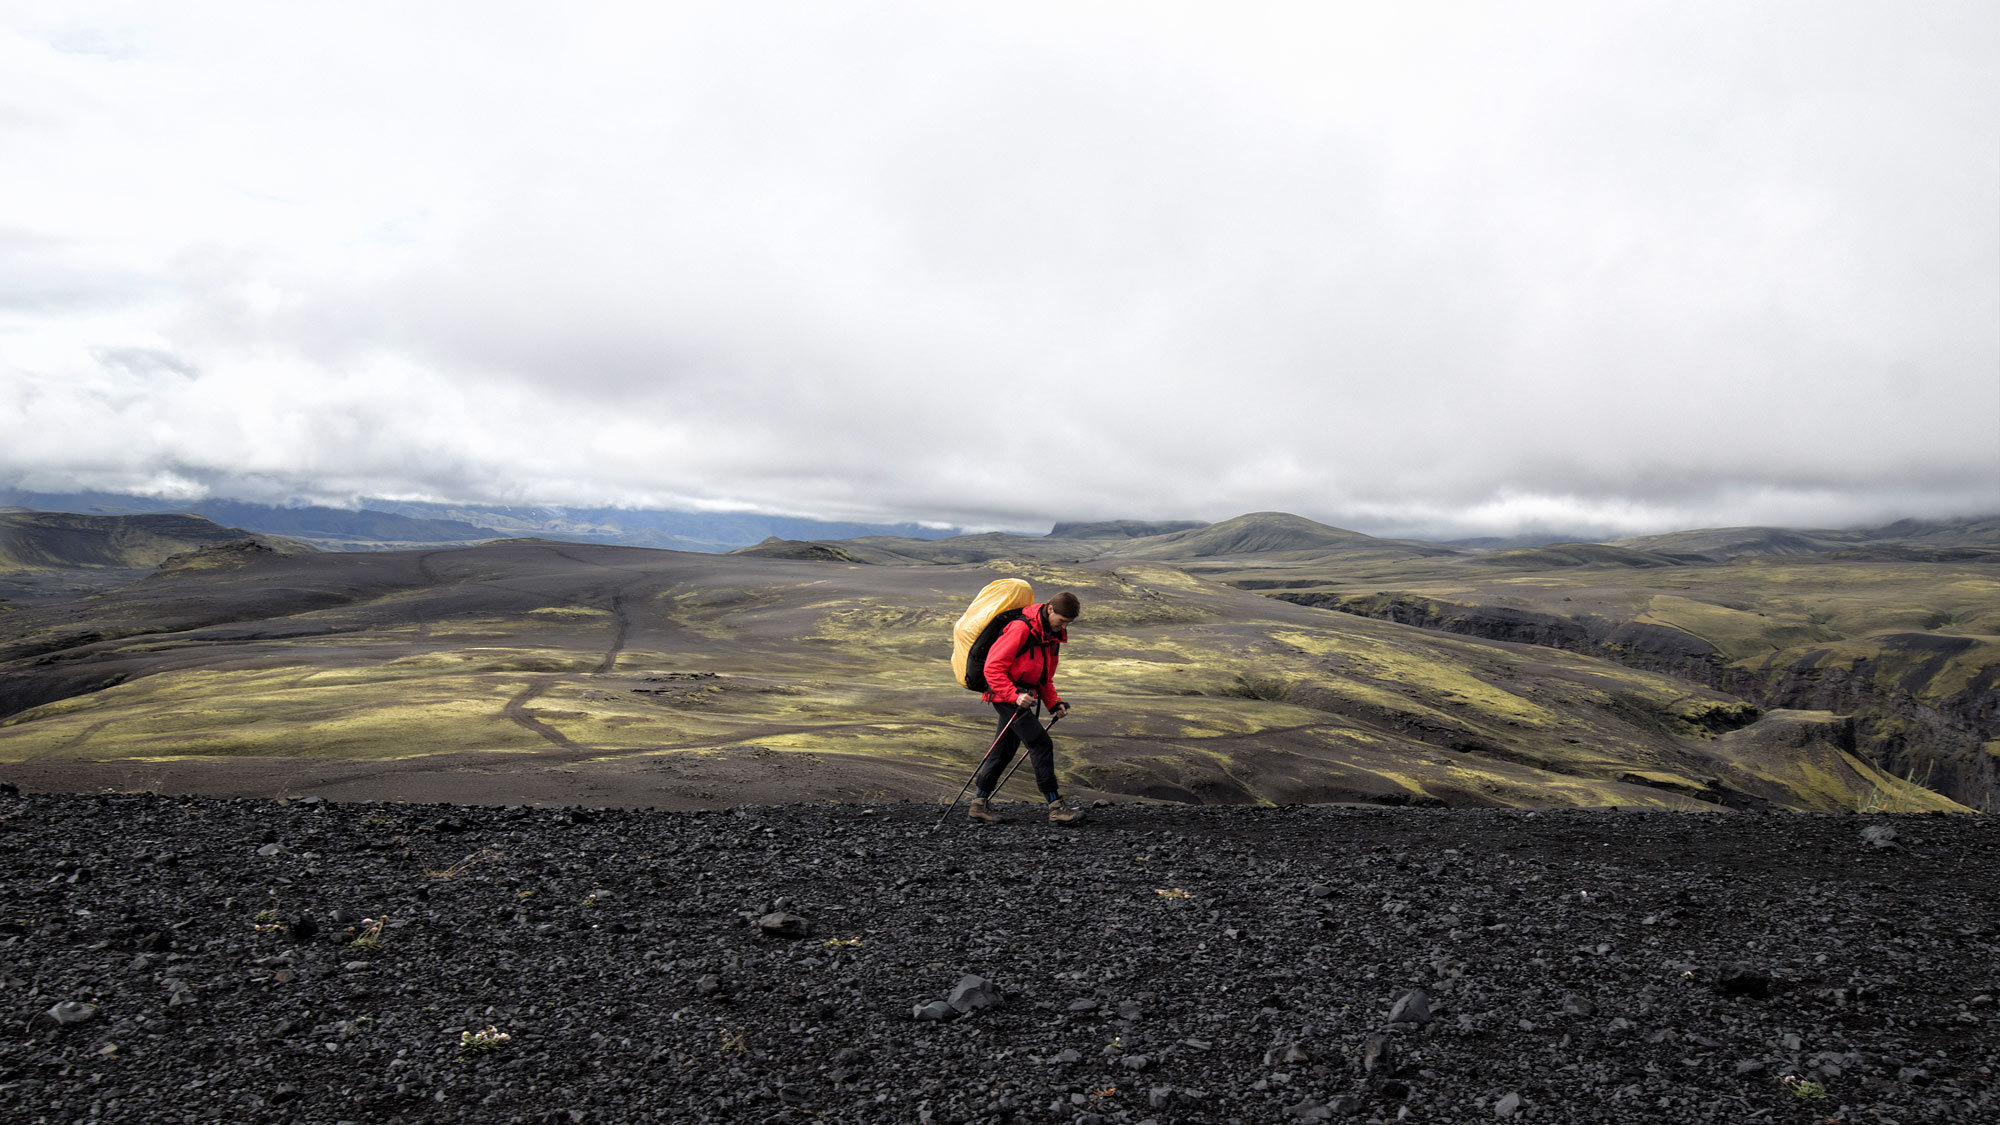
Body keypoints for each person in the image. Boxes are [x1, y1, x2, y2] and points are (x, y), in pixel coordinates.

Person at [967, 590, 1084, 824]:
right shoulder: (1020, 628)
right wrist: (1013, 695)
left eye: (1067, 624)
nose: (1063, 627)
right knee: (1040, 743)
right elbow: (992, 668)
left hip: (1023, 697)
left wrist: (1054, 703)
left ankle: (978, 805)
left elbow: (1044, 678)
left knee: (1003, 751)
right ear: (1050, 609)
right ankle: (1056, 808)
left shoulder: (1050, 636)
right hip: (1005, 696)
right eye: (1061, 621)